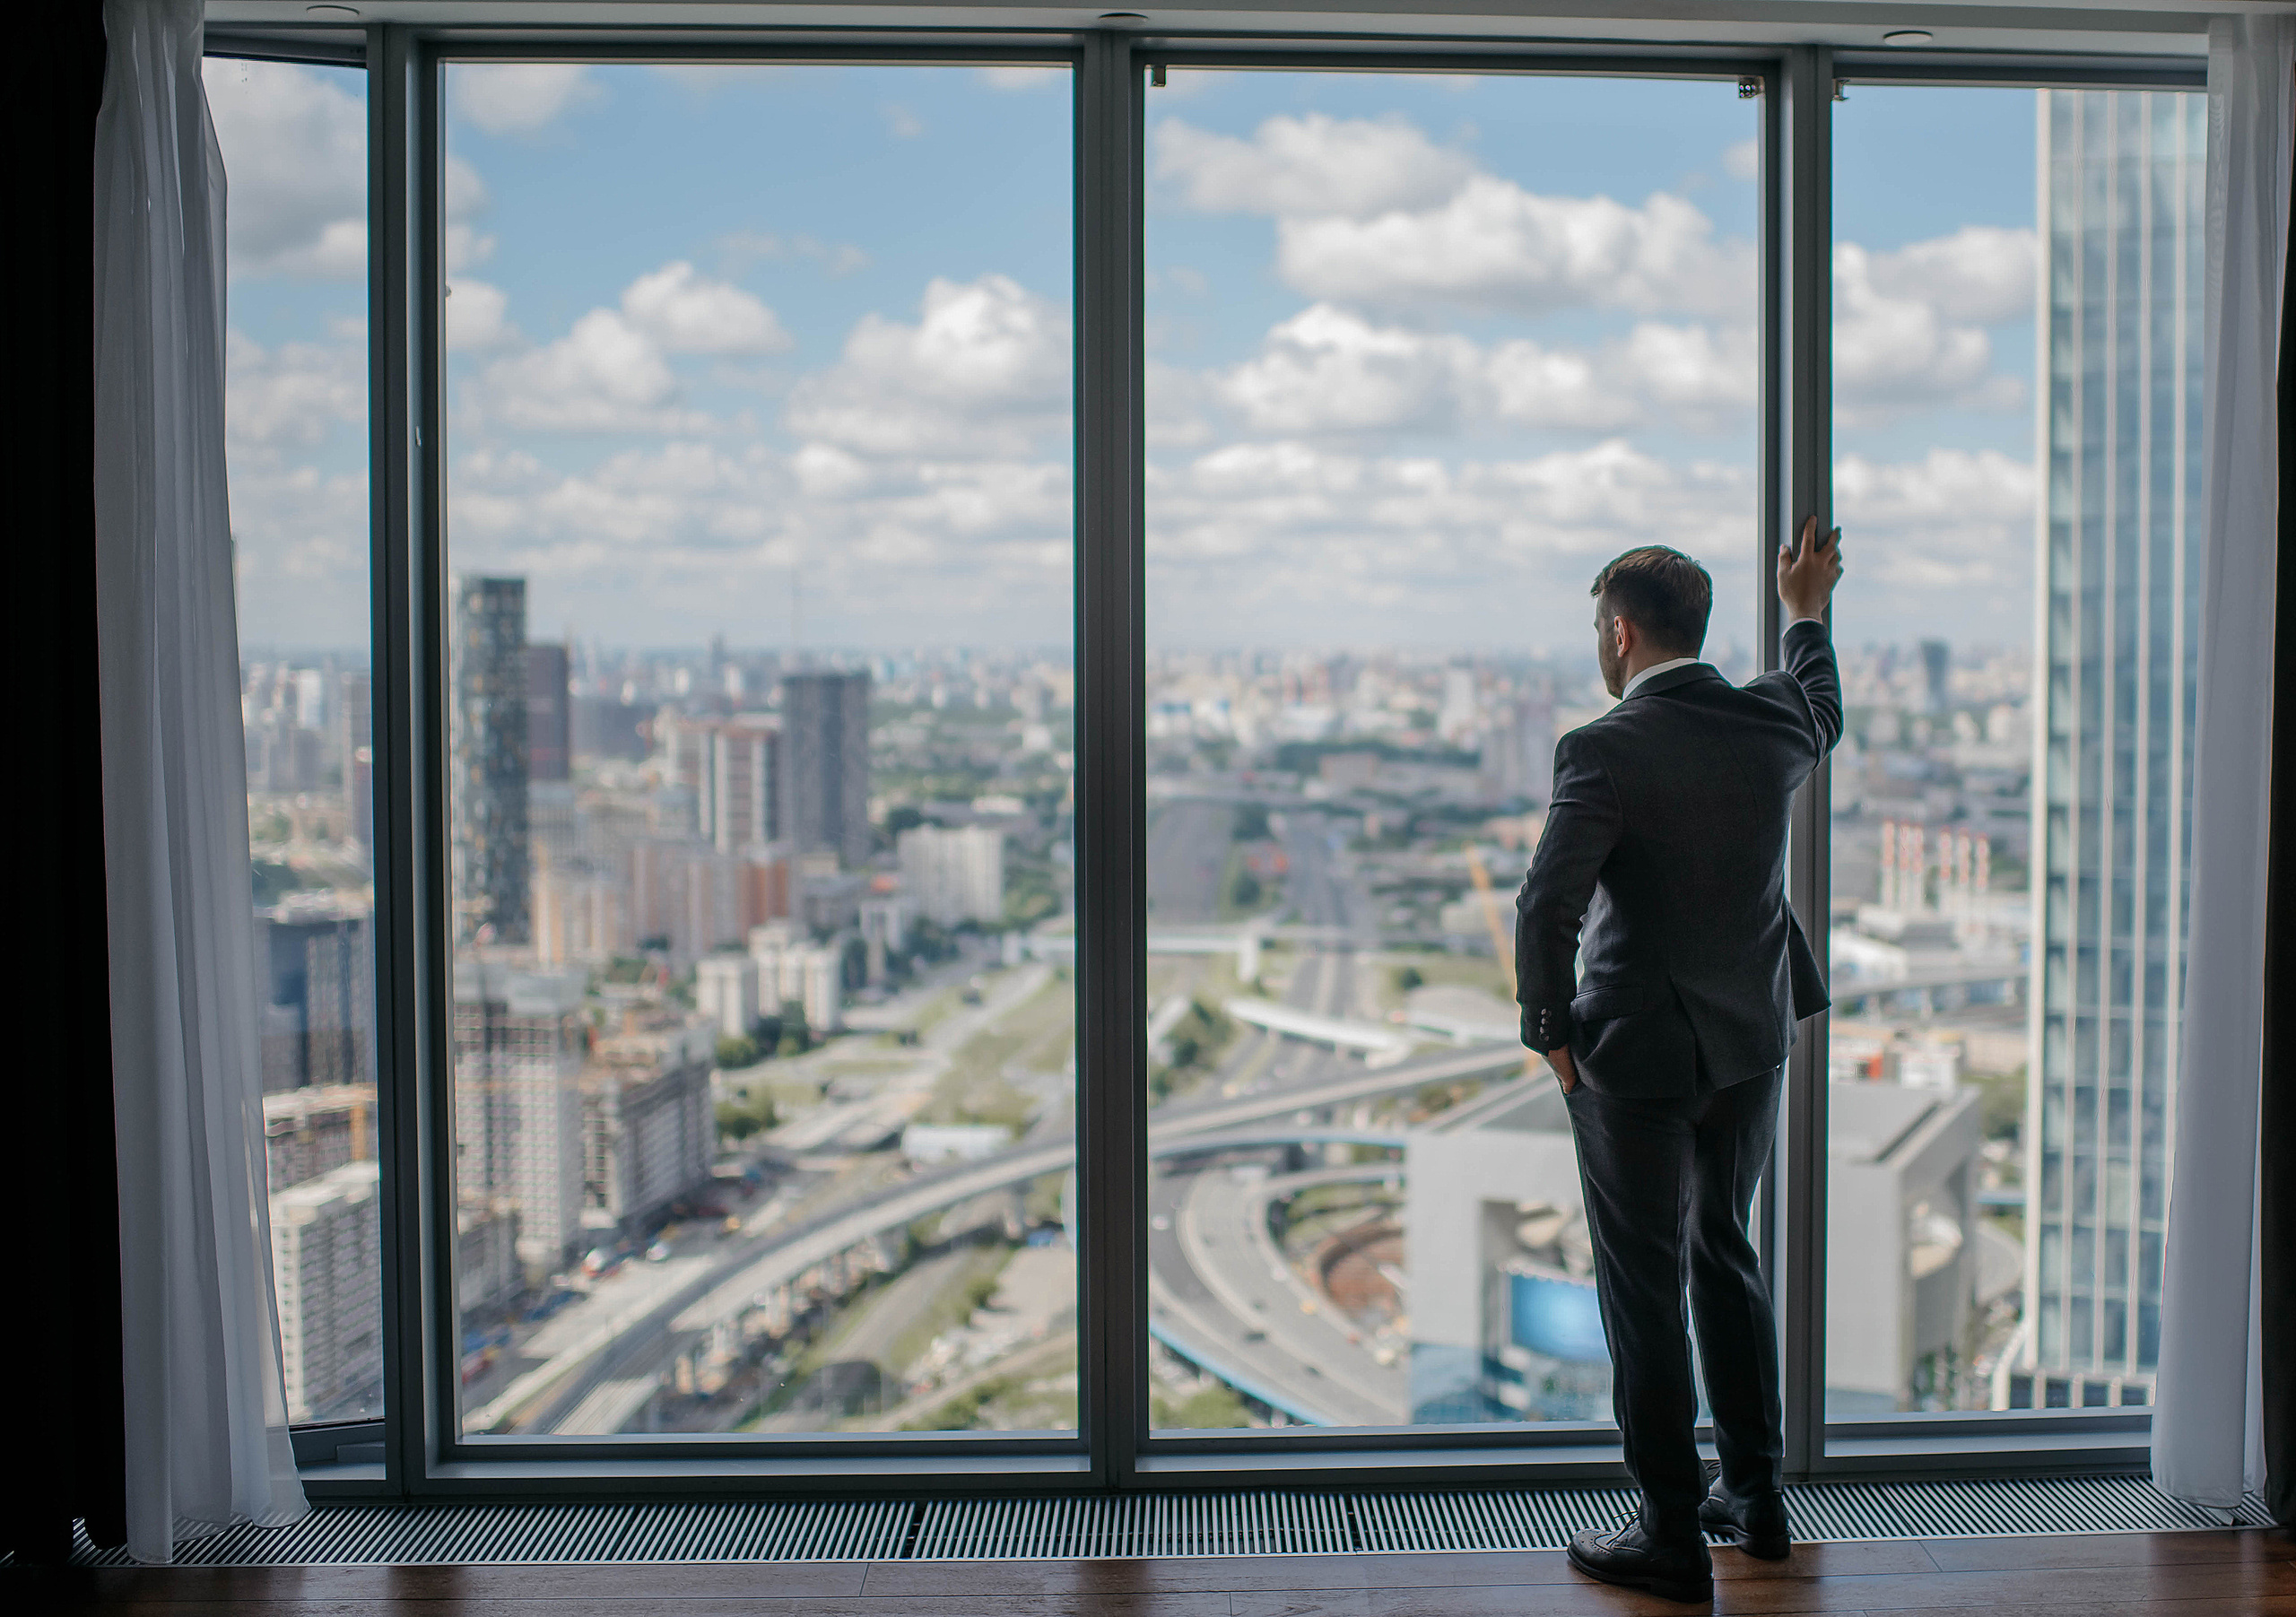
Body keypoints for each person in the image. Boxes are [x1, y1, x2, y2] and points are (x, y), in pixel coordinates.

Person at [1514, 518, 1844, 1604]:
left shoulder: (1602, 748)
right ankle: (1753, 1501)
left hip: (1634, 1059)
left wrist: (1551, 1037)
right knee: (1724, 1254)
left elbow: (1546, 906)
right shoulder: (1770, 721)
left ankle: (1665, 1533)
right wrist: (1806, 609)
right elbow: (1822, 706)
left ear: (1618, 634)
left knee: (1642, 1289)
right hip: (1749, 1042)